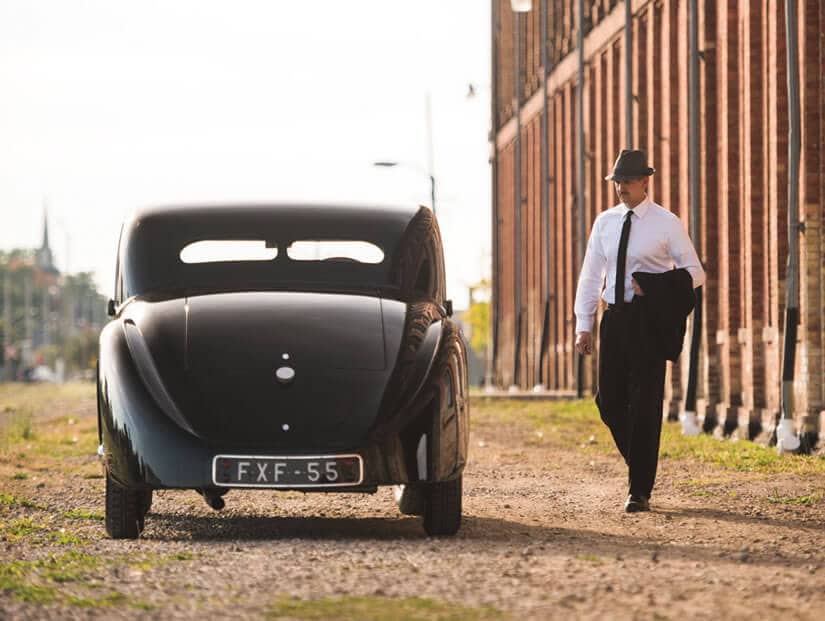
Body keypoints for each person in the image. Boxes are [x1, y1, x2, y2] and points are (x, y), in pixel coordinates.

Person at [573, 149, 706, 513]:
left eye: (627, 181)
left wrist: (656, 284)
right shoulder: (605, 222)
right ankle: (641, 463)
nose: (620, 188)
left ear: (645, 181)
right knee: (609, 401)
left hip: (649, 322)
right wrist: (583, 324)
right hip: (614, 320)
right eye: (617, 182)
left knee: (646, 404)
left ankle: (639, 490)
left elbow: (695, 272)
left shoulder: (666, 222)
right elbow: (590, 274)